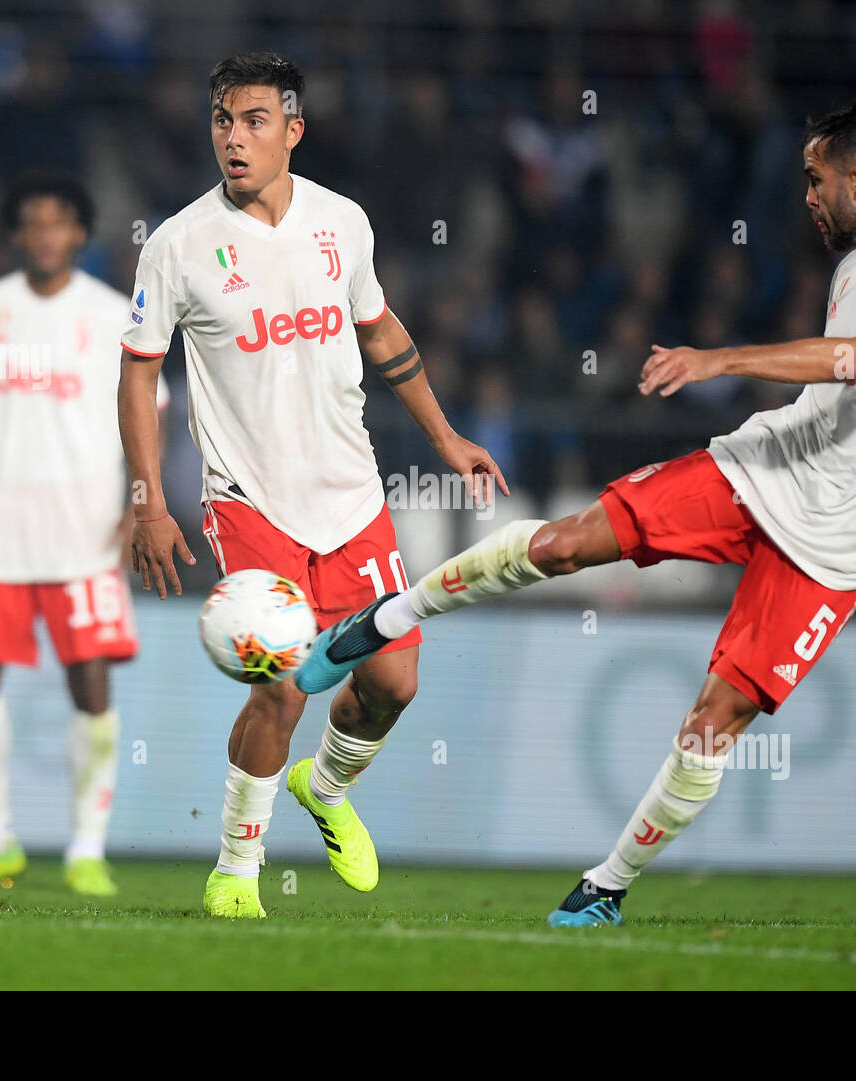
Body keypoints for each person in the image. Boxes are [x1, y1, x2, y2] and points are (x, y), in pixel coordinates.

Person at [296, 101, 856, 926]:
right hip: (764, 468)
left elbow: (855, 358)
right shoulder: (854, 271)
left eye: (814, 181)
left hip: (839, 546)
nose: (806, 197)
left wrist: (720, 358)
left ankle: (608, 883)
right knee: (564, 543)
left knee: (718, 715)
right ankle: (389, 616)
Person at [117, 51, 506, 918]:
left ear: (294, 129)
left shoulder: (344, 224)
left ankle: (325, 789)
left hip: (353, 494)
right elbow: (138, 373)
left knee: (394, 684)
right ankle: (235, 871)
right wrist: (146, 499)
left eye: (254, 120)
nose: (234, 138)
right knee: (281, 680)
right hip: (247, 498)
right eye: (222, 119)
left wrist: (444, 435)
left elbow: (378, 327)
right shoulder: (177, 245)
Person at [0, 173, 169, 896]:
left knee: (89, 682)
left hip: (85, 536)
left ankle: (87, 848)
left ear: (79, 235)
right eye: (31, 223)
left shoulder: (110, 315)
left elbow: (143, 413)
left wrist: (141, 497)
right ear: (15, 235)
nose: (44, 235)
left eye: (58, 223)